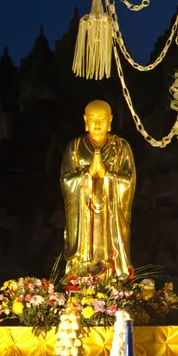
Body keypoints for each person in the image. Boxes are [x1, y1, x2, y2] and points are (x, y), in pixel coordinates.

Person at [61, 99, 136, 278]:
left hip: (111, 214)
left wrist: (107, 174)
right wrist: (87, 174)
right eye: (93, 119)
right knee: (84, 253)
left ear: (110, 120)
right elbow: (65, 180)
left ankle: (113, 273)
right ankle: (82, 273)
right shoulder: (75, 146)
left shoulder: (121, 147)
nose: (97, 123)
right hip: (84, 213)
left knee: (110, 250)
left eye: (102, 118)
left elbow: (129, 180)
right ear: (85, 120)